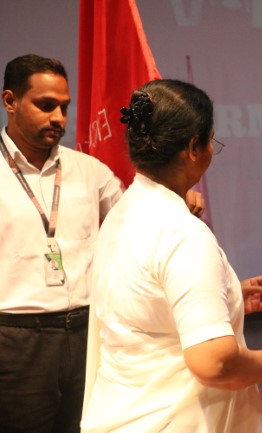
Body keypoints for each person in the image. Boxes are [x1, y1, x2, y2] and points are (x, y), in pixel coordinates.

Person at [0, 54, 204, 433]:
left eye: (64, 107)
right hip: (15, 340)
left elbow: (138, 217)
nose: (59, 118)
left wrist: (178, 196)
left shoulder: (89, 170)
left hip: (87, 331)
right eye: (46, 105)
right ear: (10, 101)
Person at [80, 78, 262, 433]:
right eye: (211, 141)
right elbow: (214, 363)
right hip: (174, 420)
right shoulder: (183, 233)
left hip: (122, 414)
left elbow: (140, 307)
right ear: (194, 147)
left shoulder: (121, 214)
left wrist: (229, 296)